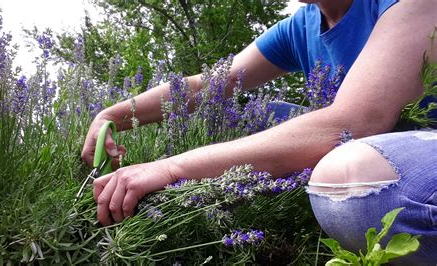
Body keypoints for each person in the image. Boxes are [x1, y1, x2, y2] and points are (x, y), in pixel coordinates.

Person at [82, 0, 436, 264]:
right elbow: (211, 86)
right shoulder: (303, 25)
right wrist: (111, 115)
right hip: (370, 146)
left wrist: (171, 168)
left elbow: (354, 122)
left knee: (355, 180)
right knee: (242, 113)